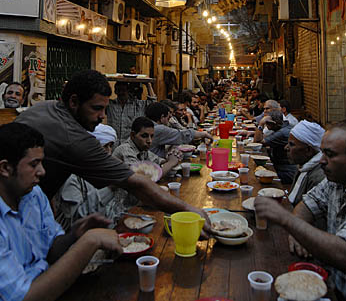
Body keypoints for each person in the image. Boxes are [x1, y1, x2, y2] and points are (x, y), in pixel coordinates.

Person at [14, 70, 211, 225]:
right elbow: (136, 183)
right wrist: (189, 211)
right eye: (96, 108)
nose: (102, 116)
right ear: (73, 101)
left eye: (104, 109)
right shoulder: (75, 139)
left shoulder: (45, 107)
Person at [0, 122, 122, 301]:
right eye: (34, 164)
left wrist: (74, 235)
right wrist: (89, 241)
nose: (42, 172)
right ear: (5, 168)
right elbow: (23, 297)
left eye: (41, 162)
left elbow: (51, 249)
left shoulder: (33, 195)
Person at [255, 122, 346, 301]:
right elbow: (308, 204)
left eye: (330, 154)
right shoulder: (335, 180)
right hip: (326, 280)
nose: (322, 160)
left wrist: (287, 220)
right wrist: (296, 232)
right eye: (322, 152)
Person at [56, 124, 117, 231]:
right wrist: (110, 188)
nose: (109, 151)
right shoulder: (72, 177)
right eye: (104, 146)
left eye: (111, 146)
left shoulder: (103, 172)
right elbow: (78, 220)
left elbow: (109, 212)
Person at [145, 101, 213, 158]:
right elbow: (182, 135)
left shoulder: (148, 125)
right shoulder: (158, 128)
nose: (171, 116)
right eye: (168, 115)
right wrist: (204, 134)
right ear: (162, 117)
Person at [286, 120, 326, 207]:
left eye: (291, 144)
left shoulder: (318, 177)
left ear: (308, 150)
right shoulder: (303, 165)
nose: (286, 147)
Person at [106, 80, 157, 145]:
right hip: (113, 144)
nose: (121, 92)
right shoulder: (110, 104)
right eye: (118, 90)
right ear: (115, 91)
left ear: (128, 91)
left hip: (131, 145)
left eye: (123, 90)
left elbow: (153, 104)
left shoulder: (138, 105)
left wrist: (148, 85)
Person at [258, 109, 297, 184]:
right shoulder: (284, 126)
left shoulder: (282, 133)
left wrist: (261, 124)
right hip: (283, 166)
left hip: (287, 171)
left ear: (274, 123)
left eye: (267, 123)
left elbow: (258, 141)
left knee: (259, 177)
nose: (267, 125)